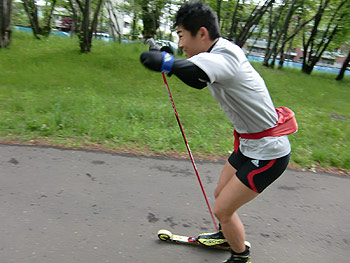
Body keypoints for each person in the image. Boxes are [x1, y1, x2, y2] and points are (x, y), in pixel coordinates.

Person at [140, 1, 297, 262]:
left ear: (201, 33)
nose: (181, 44)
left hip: (270, 151)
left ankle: (240, 255)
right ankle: (226, 236)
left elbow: (194, 71)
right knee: (220, 195)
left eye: (181, 36)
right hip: (249, 145)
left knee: (223, 209)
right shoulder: (213, 53)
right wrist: (172, 60)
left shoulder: (226, 56)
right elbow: (198, 80)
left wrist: (168, 62)